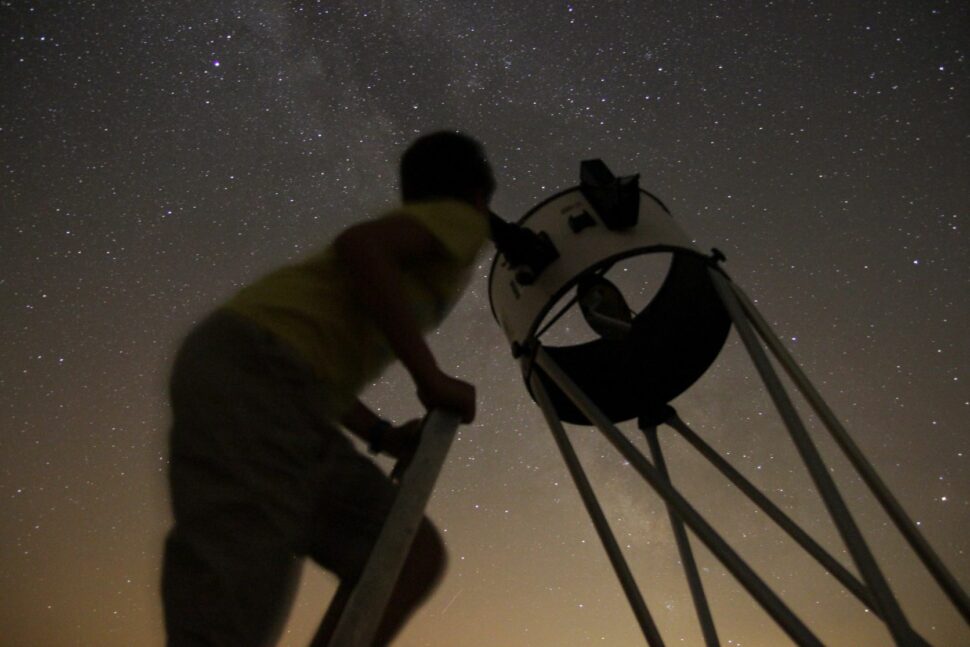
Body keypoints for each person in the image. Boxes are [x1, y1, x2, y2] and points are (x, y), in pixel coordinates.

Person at [162, 131, 495, 646]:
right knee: (239, 583)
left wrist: (382, 434)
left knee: (403, 552)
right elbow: (360, 247)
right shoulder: (464, 221)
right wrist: (429, 377)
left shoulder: (418, 244)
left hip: (290, 391)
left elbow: (315, 365)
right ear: (478, 195)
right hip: (253, 368)